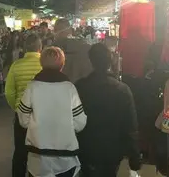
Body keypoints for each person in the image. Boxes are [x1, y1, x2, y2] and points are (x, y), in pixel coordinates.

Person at [17, 46, 87, 177]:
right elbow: (80, 122)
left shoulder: (32, 87)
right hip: (66, 157)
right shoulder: (69, 88)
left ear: (41, 64)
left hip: (37, 157)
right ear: (62, 65)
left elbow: (23, 119)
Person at [75, 43, 141, 176]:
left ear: (91, 60)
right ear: (110, 62)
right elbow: (130, 126)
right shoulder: (122, 90)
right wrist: (134, 157)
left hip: (85, 148)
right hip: (112, 151)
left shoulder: (79, 87)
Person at [6, 34, 43, 177]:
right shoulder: (43, 65)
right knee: (39, 150)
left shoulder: (16, 65)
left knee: (20, 151)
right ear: (40, 48)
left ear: (25, 48)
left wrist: (16, 107)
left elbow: (9, 92)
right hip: (41, 115)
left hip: (21, 114)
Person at [53, 19, 92, 83]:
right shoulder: (86, 48)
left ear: (55, 31)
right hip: (81, 89)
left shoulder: (49, 52)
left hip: (58, 90)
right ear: (70, 30)